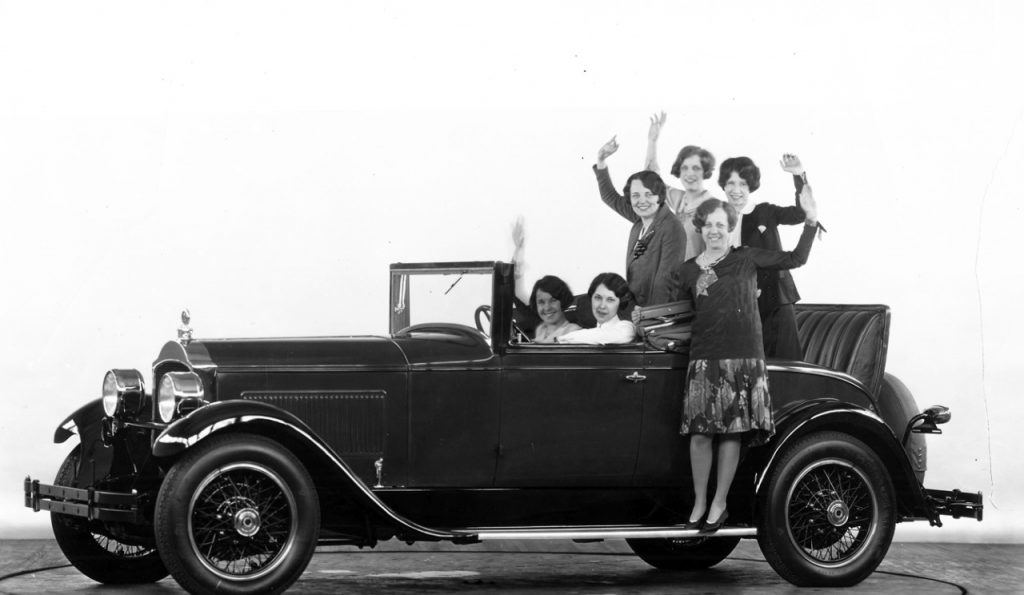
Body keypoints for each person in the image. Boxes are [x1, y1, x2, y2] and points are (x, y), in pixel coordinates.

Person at [676, 190, 819, 533]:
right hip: (704, 356)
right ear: (700, 228)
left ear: (730, 228)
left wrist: (811, 222)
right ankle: (699, 501)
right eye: (708, 225)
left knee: (731, 434)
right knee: (700, 435)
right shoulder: (686, 271)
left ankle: (719, 502)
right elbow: (685, 315)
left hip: (743, 356)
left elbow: (796, 258)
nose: (714, 230)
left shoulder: (746, 257)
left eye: (721, 225)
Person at [718, 154, 815, 360]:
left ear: (751, 186)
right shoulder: (717, 219)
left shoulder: (764, 211)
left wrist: (798, 175)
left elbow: (800, 213)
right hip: (739, 303)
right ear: (723, 185)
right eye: (731, 183)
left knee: (785, 362)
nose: (736, 190)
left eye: (743, 184)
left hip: (775, 300)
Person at [593, 136, 684, 307]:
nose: (642, 201)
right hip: (638, 308)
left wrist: (650, 316)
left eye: (648, 194)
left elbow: (665, 280)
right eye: (636, 195)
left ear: (659, 196)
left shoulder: (671, 227)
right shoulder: (640, 219)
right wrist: (601, 159)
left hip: (657, 311)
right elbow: (610, 197)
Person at [644, 111, 717, 261]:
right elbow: (650, 179)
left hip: (697, 275)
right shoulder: (680, 199)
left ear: (705, 171)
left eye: (696, 168)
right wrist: (652, 142)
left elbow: (719, 257)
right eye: (685, 168)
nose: (690, 174)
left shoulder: (714, 208)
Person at [509, 218, 582, 343]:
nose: (547, 307)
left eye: (553, 300)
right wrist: (518, 249)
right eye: (541, 302)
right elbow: (514, 291)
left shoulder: (573, 331)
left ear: (563, 301)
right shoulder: (541, 329)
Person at [556, 273, 637, 345]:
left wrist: (562, 339)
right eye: (598, 298)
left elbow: (605, 336)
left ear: (620, 303)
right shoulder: (592, 330)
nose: (602, 306)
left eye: (610, 300)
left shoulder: (627, 328)